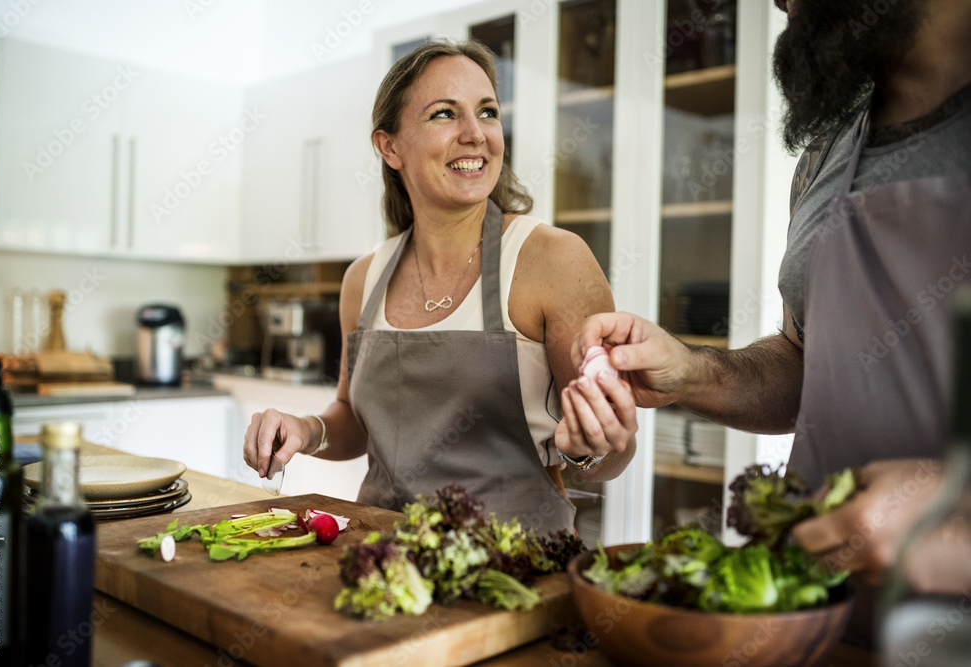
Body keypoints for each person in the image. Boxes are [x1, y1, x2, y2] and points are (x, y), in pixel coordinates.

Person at [573, 0, 971, 645]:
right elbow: (806, 361)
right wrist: (692, 373)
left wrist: (954, 514)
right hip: (818, 628)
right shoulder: (825, 157)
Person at [244, 39, 637, 536]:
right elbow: (351, 417)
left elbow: (613, 452)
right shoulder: (363, 278)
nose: (475, 134)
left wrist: (591, 450)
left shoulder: (552, 260)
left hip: (515, 570)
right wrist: (306, 430)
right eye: (445, 114)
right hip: (382, 557)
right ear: (389, 147)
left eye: (488, 112)